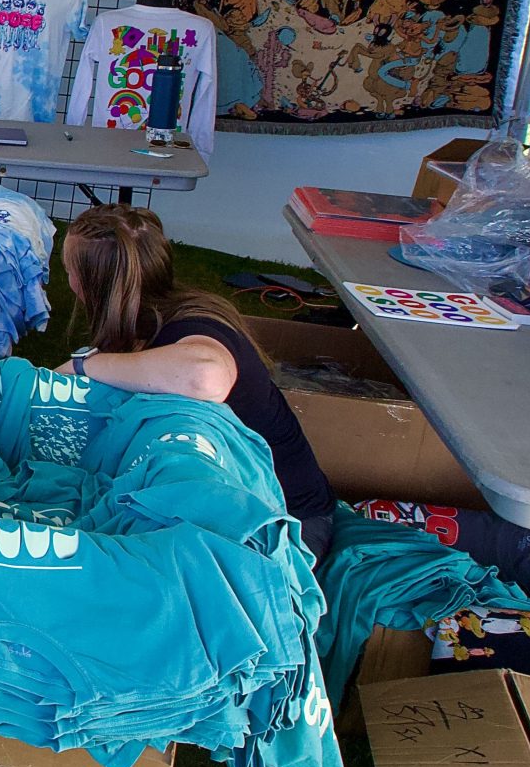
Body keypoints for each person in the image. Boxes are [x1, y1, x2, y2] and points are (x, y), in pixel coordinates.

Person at [58, 205, 338, 562]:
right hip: (254, 509)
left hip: (290, 525)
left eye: (68, 271)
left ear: (88, 285)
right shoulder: (149, 328)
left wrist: (87, 365)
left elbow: (205, 375)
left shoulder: (193, 329)